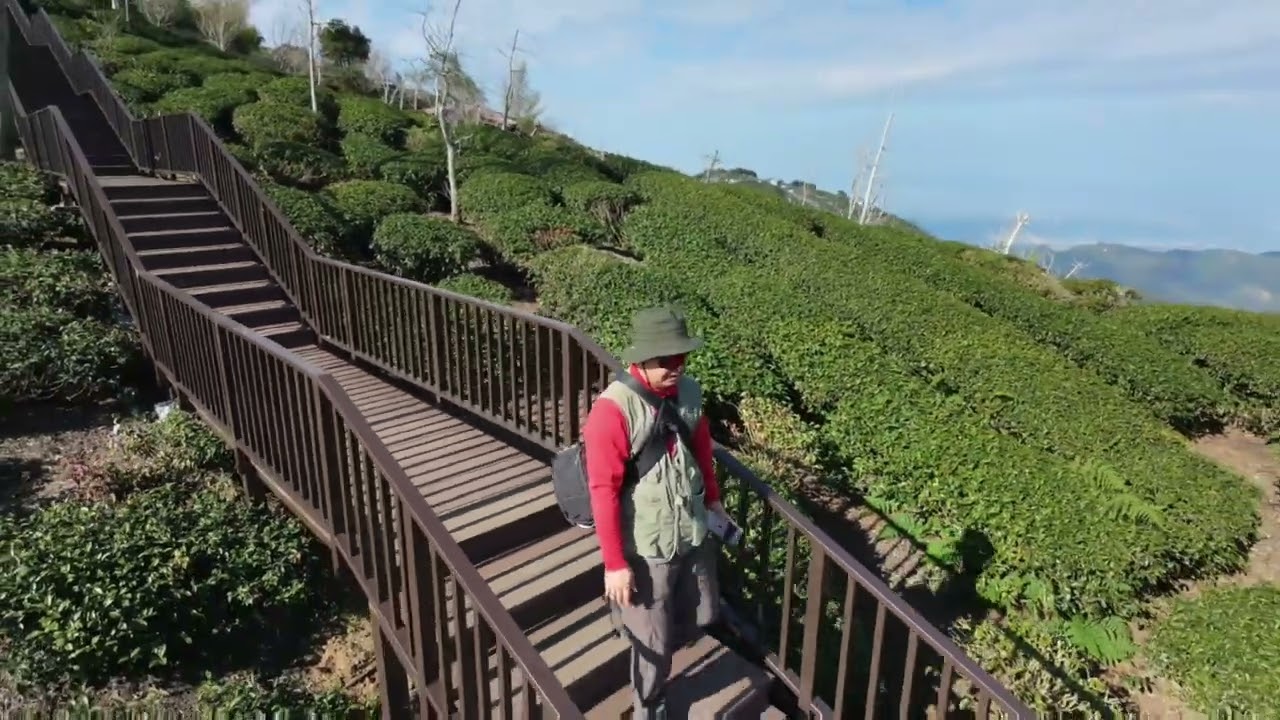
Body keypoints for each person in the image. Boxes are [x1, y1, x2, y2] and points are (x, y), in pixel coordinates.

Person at [582, 305, 729, 720]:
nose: (676, 367)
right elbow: (603, 491)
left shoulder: (689, 393)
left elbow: (702, 450)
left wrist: (714, 501)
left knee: (701, 611)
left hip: (690, 528)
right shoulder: (612, 411)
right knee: (653, 642)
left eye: (681, 357)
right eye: (665, 360)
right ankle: (649, 705)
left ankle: (638, 625)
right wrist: (614, 563)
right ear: (641, 357)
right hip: (648, 544)